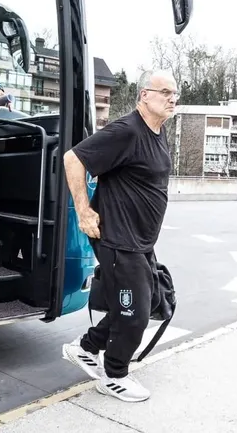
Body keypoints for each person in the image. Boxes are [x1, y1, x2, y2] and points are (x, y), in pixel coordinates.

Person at [60, 69, 179, 403]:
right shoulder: (127, 130)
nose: (172, 99)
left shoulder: (158, 130)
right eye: (165, 92)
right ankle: (114, 375)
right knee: (135, 314)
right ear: (144, 94)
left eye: (175, 94)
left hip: (140, 240)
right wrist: (84, 211)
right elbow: (73, 158)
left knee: (149, 301)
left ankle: (85, 348)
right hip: (118, 238)